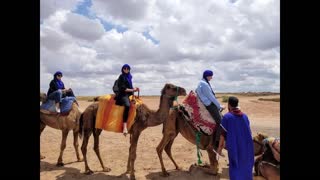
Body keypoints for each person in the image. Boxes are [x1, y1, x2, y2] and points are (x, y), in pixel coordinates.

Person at [217, 96, 254, 180]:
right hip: (247, 147)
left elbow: (222, 135)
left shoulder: (227, 117)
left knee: (235, 167)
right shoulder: (245, 116)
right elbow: (249, 131)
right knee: (246, 166)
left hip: (235, 147)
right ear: (237, 104)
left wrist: (219, 149)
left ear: (229, 105)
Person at [195, 70, 225, 149]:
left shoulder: (202, 83)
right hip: (209, 105)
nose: (211, 77)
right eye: (211, 76)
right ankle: (216, 143)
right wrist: (219, 106)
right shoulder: (204, 84)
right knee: (220, 122)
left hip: (207, 104)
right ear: (207, 76)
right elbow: (211, 97)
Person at [115, 64, 139, 135]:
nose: (126, 70)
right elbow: (123, 88)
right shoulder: (121, 77)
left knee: (138, 103)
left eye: (127, 68)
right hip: (123, 94)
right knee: (127, 105)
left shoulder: (129, 76)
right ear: (122, 69)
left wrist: (134, 89)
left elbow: (129, 86)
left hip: (129, 94)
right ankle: (125, 126)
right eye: (124, 68)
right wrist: (132, 90)